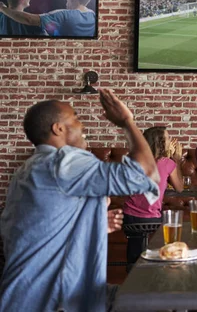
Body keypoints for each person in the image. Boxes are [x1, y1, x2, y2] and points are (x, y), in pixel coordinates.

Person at [0, 89, 160, 312]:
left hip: (27, 297)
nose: (82, 125)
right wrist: (126, 121)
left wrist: (90, 224)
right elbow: (145, 173)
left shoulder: (26, 171)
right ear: (58, 128)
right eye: (75, 117)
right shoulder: (62, 162)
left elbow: (38, 229)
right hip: (54, 301)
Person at [122, 126, 184, 268]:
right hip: (152, 220)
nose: (170, 140)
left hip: (129, 219)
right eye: (168, 138)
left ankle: (132, 270)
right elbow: (179, 188)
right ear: (161, 143)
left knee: (135, 244)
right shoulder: (168, 163)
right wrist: (177, 160)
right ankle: (157, 266)